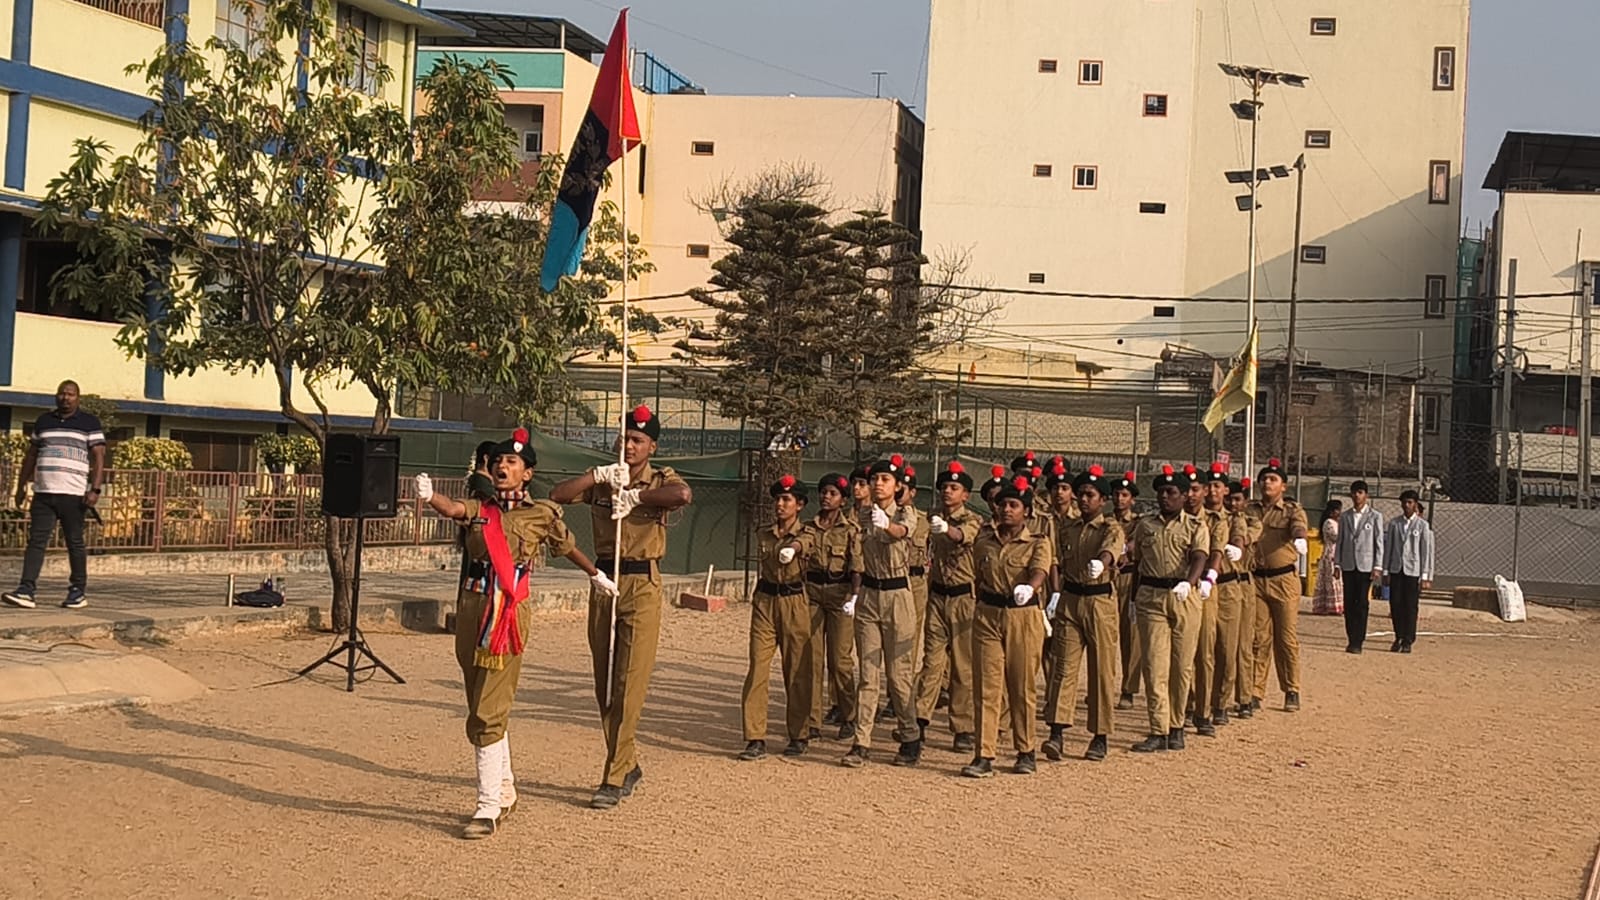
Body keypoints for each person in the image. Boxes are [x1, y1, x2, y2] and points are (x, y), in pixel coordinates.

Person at [416, 429, 617, 839]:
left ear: (528, 473)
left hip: (507, 612)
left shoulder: (542, 513)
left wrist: (595, 574)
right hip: (472, 608)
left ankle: (487, 805)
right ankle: (505, 788)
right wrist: (430, 496)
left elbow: (566, 547)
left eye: (511, 462)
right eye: (497, 462)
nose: (502, 466)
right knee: (479, 698)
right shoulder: (481, 507)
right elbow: (454, 509)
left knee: (487, 710)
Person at [549, 405, 693, 810]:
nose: (628, 446)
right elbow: (557, 495)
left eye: (637, 440)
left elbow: (682, 495)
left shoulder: (661, 480)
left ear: (652, 447)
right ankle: (628, 764)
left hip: (642, 582)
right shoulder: (605, 478)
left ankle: (613, 778)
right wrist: (598, 476)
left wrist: (636, 496)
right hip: (604, 580)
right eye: (624, 438)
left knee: (630, 683)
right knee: (606, 683)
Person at [961, 474, 1051, 778]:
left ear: (1027, 511)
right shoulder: (984, 541)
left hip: (1021, 616)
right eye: (1002, 505)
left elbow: (1040, 570)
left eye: (1014, 505)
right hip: (988, 613)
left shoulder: (1038, 541)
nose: (1007, 510)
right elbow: (978, 575)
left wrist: (1031, 587)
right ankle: (983, 753)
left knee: (1021, 685)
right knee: (986, 686)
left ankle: (1025, 750)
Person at [1041, 465, 1124, 762]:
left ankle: (1100, 736)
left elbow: (1111, 549)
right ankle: (1056, 732)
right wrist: (1055, 593)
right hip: (1071, 599)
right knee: (1063, 667)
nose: (1084, 499)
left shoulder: (1110, 527)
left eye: (1091, 495)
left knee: (1101, 670)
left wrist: (1102, 562)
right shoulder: (1068, 527)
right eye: (1082, 495)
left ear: (1103, 500)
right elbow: (1056, 559)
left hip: (1100, 602)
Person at [843, 454, 920, 768]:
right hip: (870, 594)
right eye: (874, 479)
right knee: (868, 673)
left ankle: (910, 735)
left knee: (898, 675)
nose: (878, 484)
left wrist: (887, 525)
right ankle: (861, 742)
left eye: (885, 479)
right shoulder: (861, 514)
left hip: (897, 594)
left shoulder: (905, 512)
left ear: (897, 486)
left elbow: (902, 532)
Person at [4, 381, 106, 611]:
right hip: (44, 492)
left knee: (74, 542)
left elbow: (99, 457)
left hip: (73, 494)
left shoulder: (89, 423)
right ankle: (26, 590)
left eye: (70, 394)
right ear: (56, 396)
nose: (65, 398)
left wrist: (95, 489)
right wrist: (21, 485)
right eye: (61, 393)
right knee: (36, 542)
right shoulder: (44, 421)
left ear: (78, 398)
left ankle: (77, 591)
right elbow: (31, 455)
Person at [1128, 465, 1208, 753]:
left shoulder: (1196, 526)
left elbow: (1199, 557)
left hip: (1183, 596)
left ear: (1184, 496)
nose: (1165, 497)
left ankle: (1177, 725)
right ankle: (1158, 729)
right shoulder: (1145, 525)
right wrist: (1133, 600)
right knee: (1154, 665)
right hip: (1151, 596)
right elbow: (1138, 564)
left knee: (1182, 665)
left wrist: (1190, 582)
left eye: (1171, 492)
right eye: (1161, 492)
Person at [739, 475, 818, 761]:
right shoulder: (765, 532)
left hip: (794, 602)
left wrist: (792, 548)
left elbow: (805, 544)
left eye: (787, 499)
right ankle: (755, 737)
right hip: (765, 600)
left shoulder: (807, 533)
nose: (780, 504)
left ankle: (799, 733)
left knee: (796, 670)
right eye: (778, 499)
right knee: (758, 668)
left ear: (800, 505)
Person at [915, 461, 982, 753]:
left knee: (962, 667)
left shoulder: (973, 519)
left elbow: (962, 536)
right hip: (938, 596)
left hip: (963, 599)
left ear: (965, 494)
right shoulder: (932, 516)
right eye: (944, 487)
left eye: (954, 488)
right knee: (932, 662)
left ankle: (962, 727)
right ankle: (919, 720)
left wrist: (947, 529)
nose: (947, 491)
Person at [804, 473, 862, 739]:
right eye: (823, 492)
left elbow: (856, 567)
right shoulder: (808, 528)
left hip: (840, 596)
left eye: (833, 493)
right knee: (812, 660)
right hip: (813, 595)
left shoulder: (850, 530)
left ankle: (849, 715)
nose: (826, 497)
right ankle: (812, 721)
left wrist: (854, 597)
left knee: (840, 661)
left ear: (843, 500)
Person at [1249, 458, 1310, 712]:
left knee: (1285, 639)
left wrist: (1299, 538)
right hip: (1256, 579)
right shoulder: (1250, 510)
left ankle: (1291, 689)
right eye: (1264, 478)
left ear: (1283, 486)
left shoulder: (1291, 509)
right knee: (1258, 638)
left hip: (1283, 580)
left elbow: (1298, 526)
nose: (1267, 482)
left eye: (1273, 479)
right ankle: (1254, 691)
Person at [1192, 462, 1239, 736]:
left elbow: (1218, 551)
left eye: (1216, 486)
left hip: (1217, 587)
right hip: (1185, 587)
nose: (1211, 491)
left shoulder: (1225, 520)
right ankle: (1188, 704)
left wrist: (1209, 577)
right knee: (1185, 651)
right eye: (1206, 485)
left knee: (1217, 650)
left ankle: (1213, 706)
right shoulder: (1185, 516)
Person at [1222, 480, 1260, 721]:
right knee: (1221, 646)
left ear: (1245, 502)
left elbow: (1247, 536)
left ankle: (1244, 697)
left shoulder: (1251, 522)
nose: (1233, 504)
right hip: (1220, 583)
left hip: (1243, 583)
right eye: (1229, 499)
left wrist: (1238, 541)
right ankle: (1218, 699)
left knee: (1244, 644)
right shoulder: (1215, 519)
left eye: (1237, 499)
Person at [1382, 490, 1434, 654]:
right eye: (1404, 502)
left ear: (1415, 504)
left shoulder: (1422, 525)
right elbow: (1389, 549)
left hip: (1413, 570)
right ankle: (1398, 636)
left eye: (1410, 502)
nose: (1406, 505)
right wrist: (1385, 571)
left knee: (1410, 606)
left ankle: (1408, 639)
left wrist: (1425, 575)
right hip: (1396, 569)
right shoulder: (1394, 523)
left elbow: (1426, 552)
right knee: (1396, 604)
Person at [1336, 480, 1385, 654]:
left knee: (1362, 602)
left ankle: (1359, 639)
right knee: (1349, 602)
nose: (1357, 496)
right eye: (1354, 492)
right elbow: (1340, 541)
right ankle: (1351, 638)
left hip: (1366, 565)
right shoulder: (1345, 516)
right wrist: (1337, 563)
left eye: (1360, 492)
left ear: (1366, 495)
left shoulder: (1375, 516)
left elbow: (1379, 542)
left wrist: (1377, 565)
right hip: (1349, 564)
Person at [1109, 471, 1144, 711]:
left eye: (1124, 495)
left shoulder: (1138, 522)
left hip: (1130, 578)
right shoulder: (1105, 521)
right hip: (1108, 578)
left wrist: (1122, 548)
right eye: (1116, 494)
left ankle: (1128, 689)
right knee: (1105, 636)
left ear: (1132, 499)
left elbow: (1133, 547)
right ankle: (1102, 687)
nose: (1119, 499)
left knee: (1131, 637)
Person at [1311, 500, 1345, 616]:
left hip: (1337, 554)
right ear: (1332, 512)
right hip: (1330, 554)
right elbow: (1336, 537)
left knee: (1338, 581)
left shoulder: (1337, 523)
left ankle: (1338, 606)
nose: (1340, 513)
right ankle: (1330, 607)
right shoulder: (1329, 523)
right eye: (1338, 510)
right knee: (1332, 581)